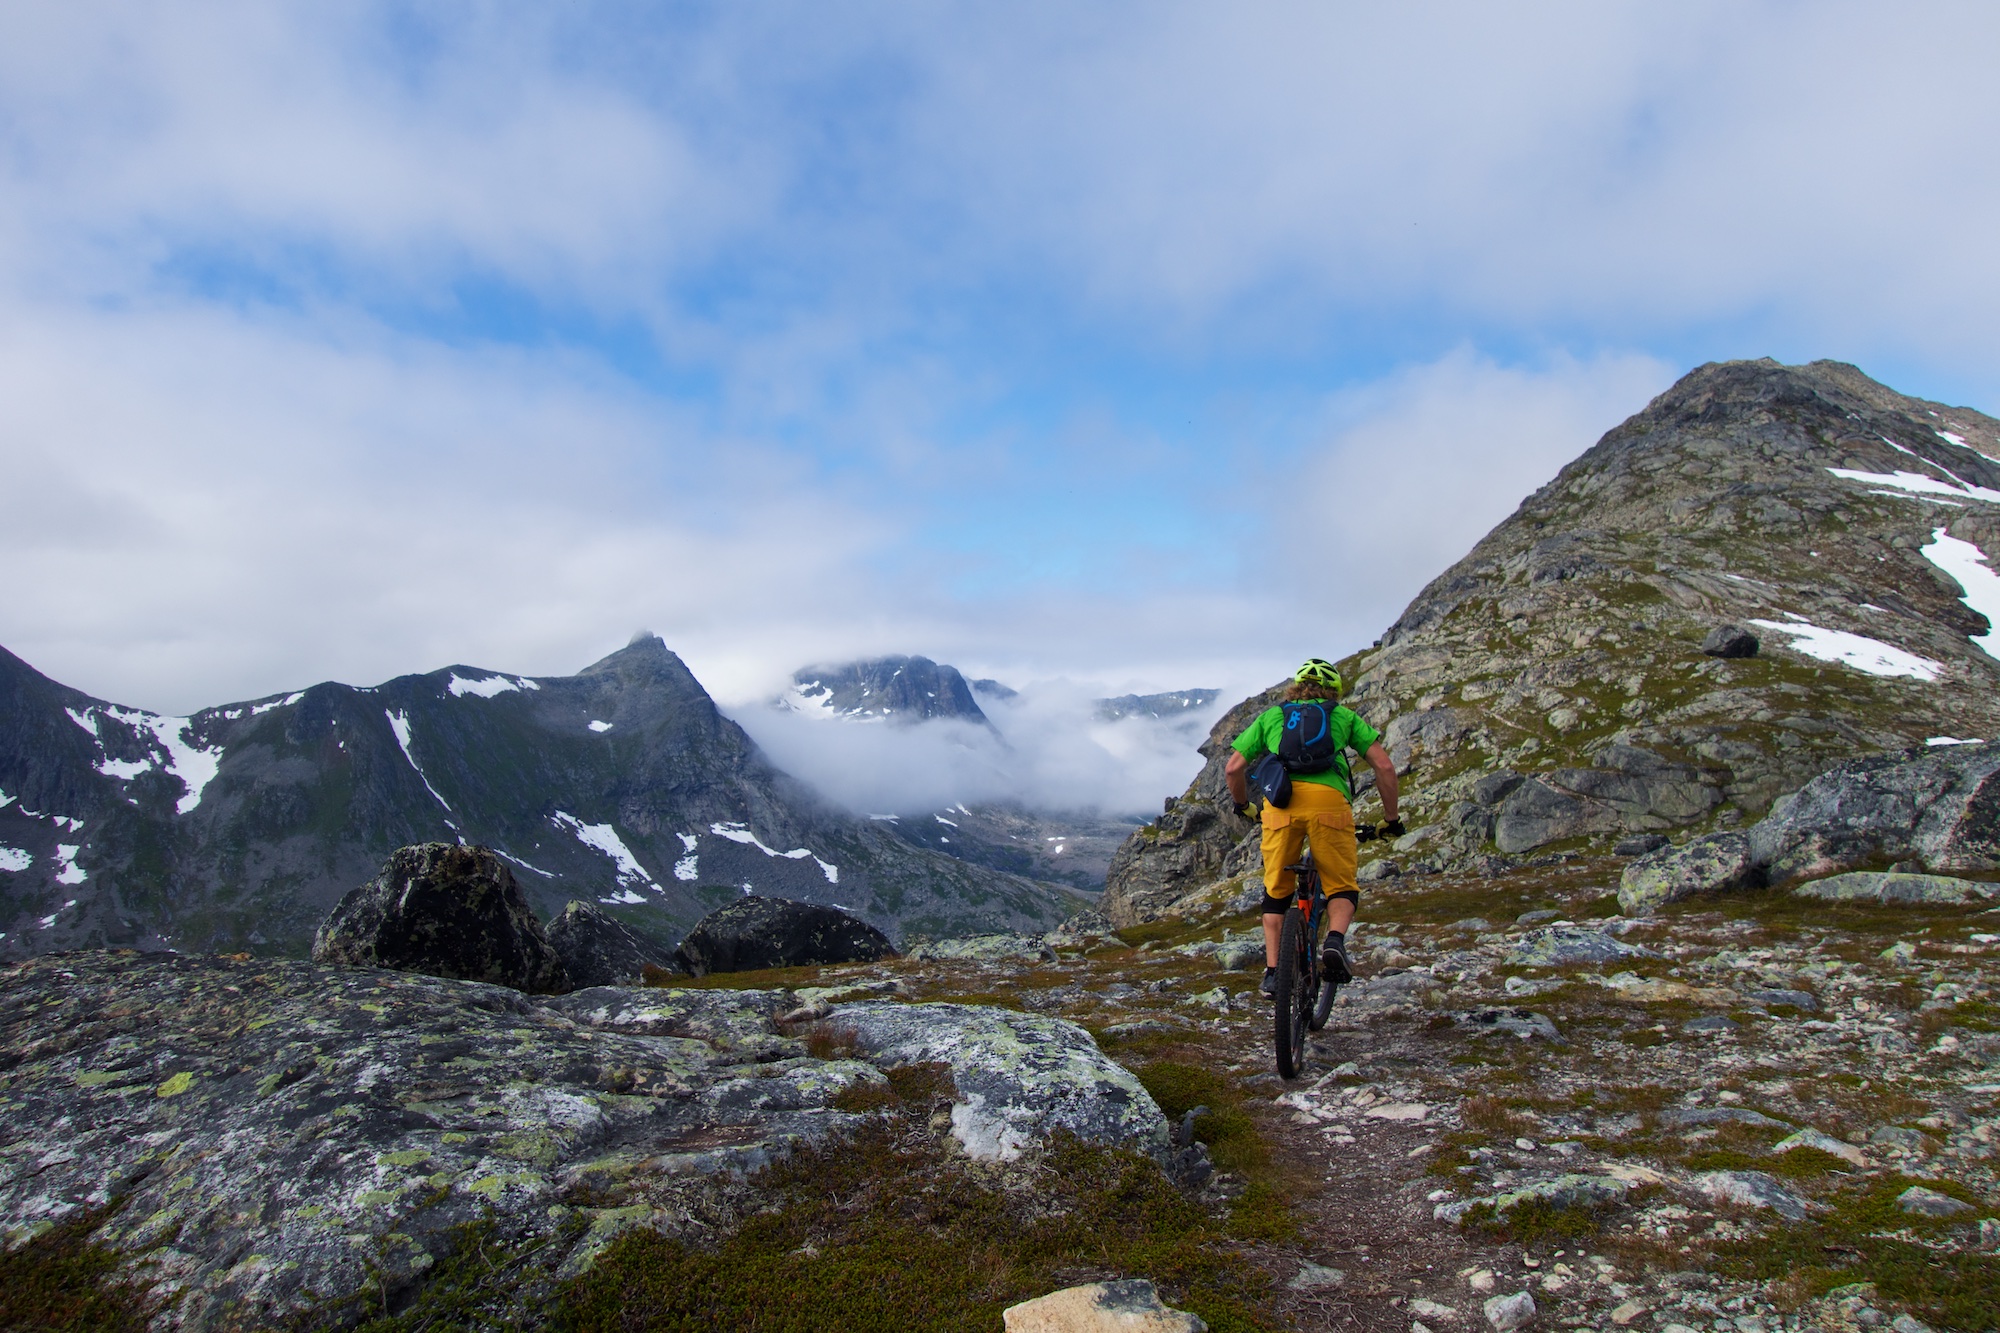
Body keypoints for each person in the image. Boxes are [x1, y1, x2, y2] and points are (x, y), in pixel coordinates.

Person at [1222, 658, 1403, 997]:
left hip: (1281, 807)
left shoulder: (1273, 716)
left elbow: (1233, 769)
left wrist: (1244, 806)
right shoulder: (1342, 716)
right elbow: (1385, 767)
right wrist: (1391, 820)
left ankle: (1274, 973)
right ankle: (1334, 942)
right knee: (1341, 887)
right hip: (1329, 806)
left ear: (1294, 687)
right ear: (1333, 691)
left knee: (1276, 891)